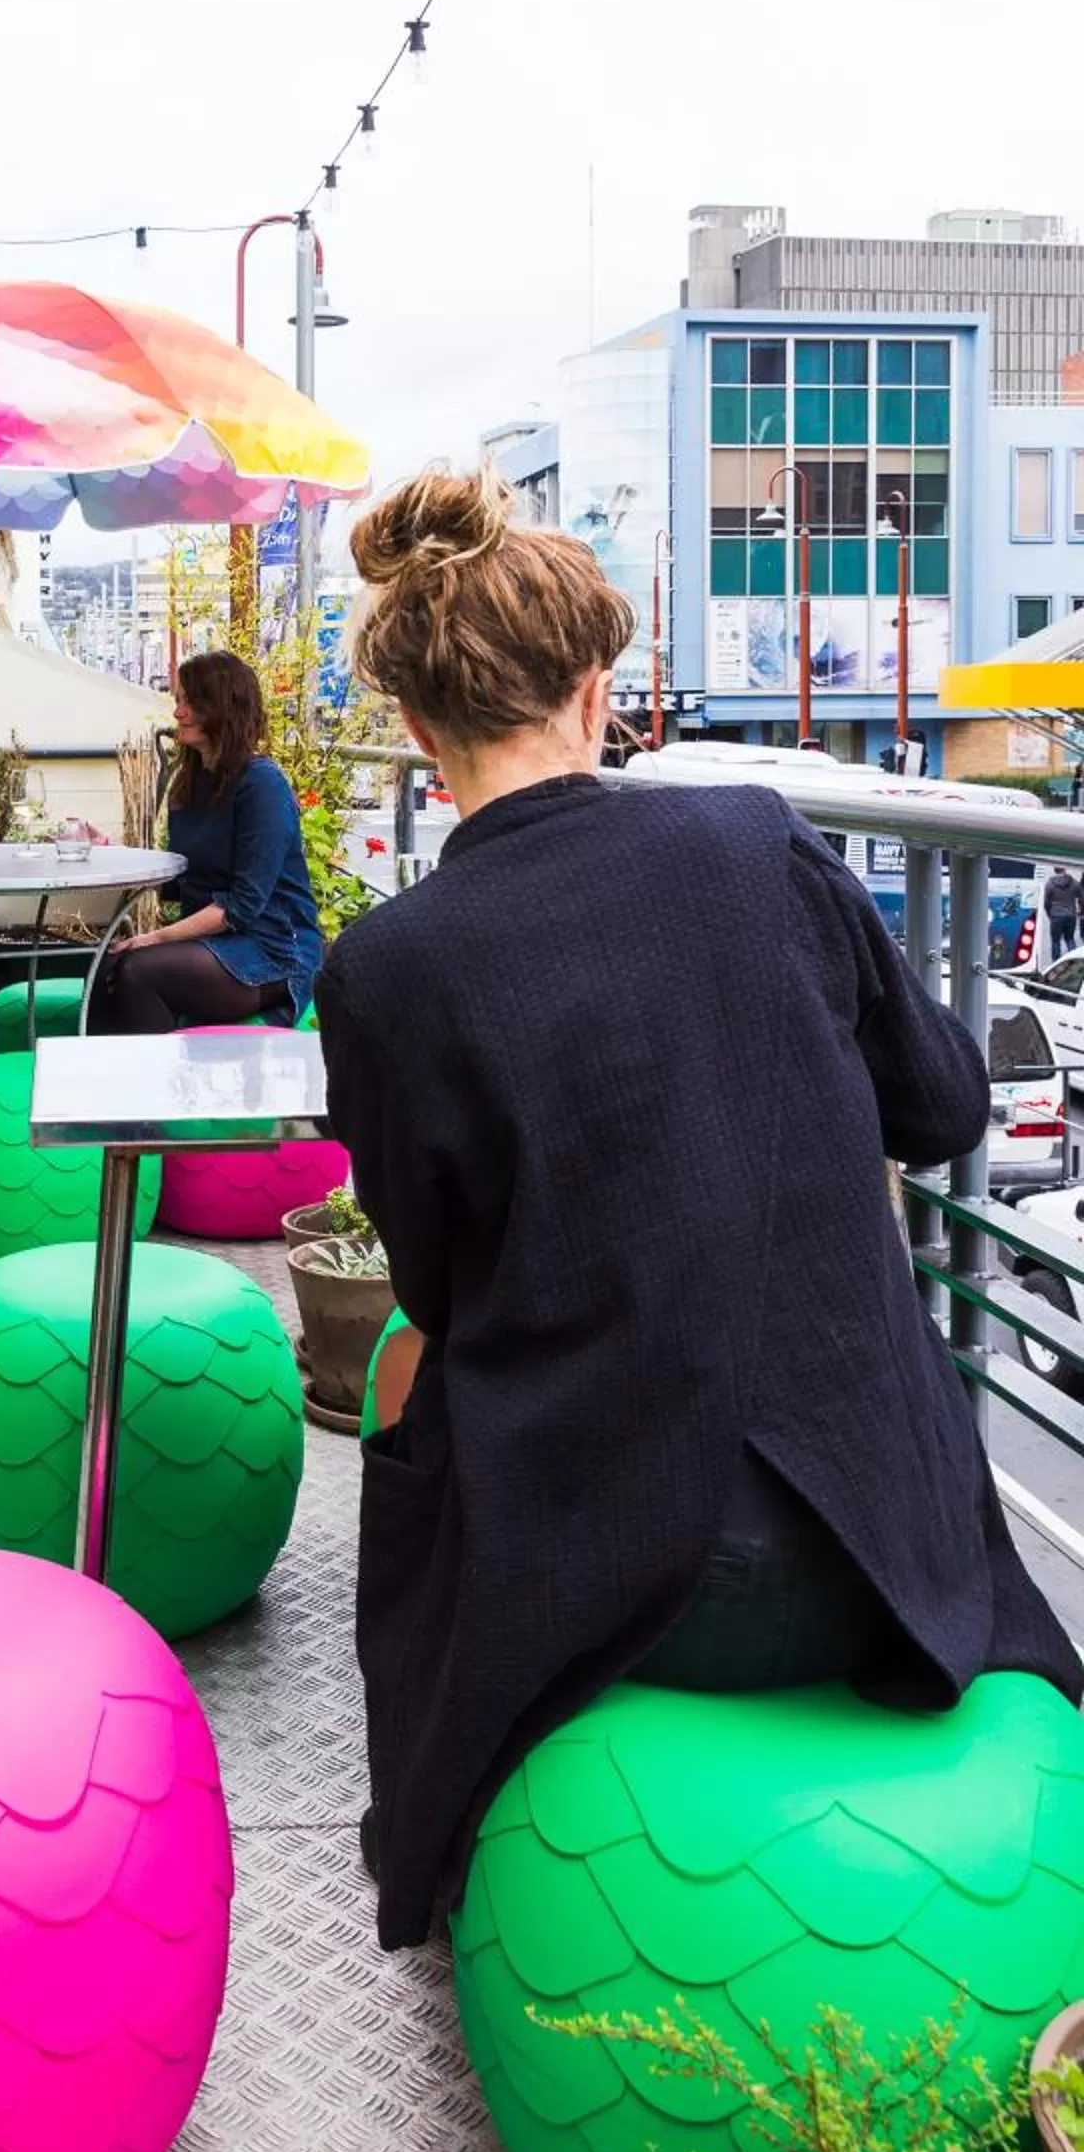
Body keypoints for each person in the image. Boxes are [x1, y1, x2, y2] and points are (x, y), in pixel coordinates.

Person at [315, 468, 1078, 1953]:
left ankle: (429, 1824)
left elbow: (443, 1287)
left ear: (416, 729)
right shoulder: (758, 843)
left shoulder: (389, 971)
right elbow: (941, 1108)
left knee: (408, 1390)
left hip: (608, 1599)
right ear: (601, 694)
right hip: (889, 1567)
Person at [87, 650, 321, 1034]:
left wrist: (156, 938)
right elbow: (183, 881)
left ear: (224, 708)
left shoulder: (261, 784)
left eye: (191, 701)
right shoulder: (192, 783)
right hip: (220, 944)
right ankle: (105, 1083)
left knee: (137, 970)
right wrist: (112, 854)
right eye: (178, 700)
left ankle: (159, 1086)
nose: (178, 712)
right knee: (104, 964)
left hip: (274, 950)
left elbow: (243, 905)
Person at [1047, 864, 1079, 961]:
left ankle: (1056, 962)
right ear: (1064, 869)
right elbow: (1081, 896)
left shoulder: (1050, 884)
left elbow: (1046, 902)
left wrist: (1050, 913)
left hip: (1056, 915)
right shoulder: (1073, 882)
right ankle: (1074, 960)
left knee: (1055, 941)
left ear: (1054, 870)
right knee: (1070, 939)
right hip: (1071, 915)